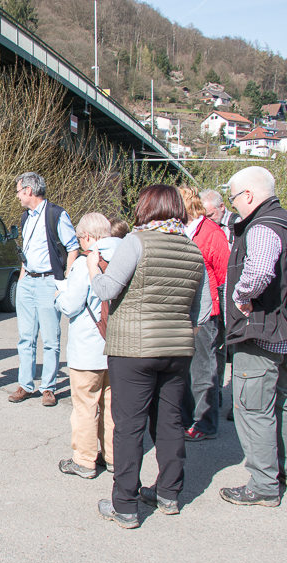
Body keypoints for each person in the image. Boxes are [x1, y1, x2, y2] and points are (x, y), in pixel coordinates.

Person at [88, 184, 211, 529]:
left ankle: (124, 504)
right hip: (177, 350)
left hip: (133, 349)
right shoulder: (192, 249)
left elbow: (107, 289)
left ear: (146, 208)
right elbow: (202, 312)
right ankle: (169, 493)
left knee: (129, 427)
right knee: (169, 422)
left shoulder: (136, 242)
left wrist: (92, 268)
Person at [219, 166, 287, 507]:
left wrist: (240, 297)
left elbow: (258, 272)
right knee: (280, 401)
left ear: (249, 196)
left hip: (260, 333)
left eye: (234, 197)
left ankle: (264, 484)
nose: (234, 204)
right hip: (286, 332)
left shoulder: (262, 226)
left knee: (252, 408)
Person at [53, 213, 120, 478]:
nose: (79, 242)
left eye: (80, 237)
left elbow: (71, 305)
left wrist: (59, 295)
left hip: (88, 347)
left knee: (85, 406)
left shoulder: (84, 263)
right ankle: (113, 457)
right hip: (115, 344)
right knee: (112, 407)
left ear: (89, 237)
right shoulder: (124, 257)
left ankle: (84, 459)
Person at [8, 172, 80, 406]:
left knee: (50, 338)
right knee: (25, 337)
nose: (17, 195)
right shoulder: (25, 217)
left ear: (29, 190)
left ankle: (48, 388)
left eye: (18, 191)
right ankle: (25, 385)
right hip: (27, 281)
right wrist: (21, 278)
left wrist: (65, 281)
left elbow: (73, 247)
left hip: (50, 281)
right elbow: (25, 253)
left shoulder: (57, 214)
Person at [179, 187, 230, 442]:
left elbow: (225, 275)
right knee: (185, 368)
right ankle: (186, 418)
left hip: (205, 312)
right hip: (182, 309)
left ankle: (205, 423)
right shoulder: (181, 231)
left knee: (203, 368)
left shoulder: (211, 232)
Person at [201, 188, 237, 421]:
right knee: (216, 346)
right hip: (216, 287)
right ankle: (218, 392)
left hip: (232, 286)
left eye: (211, 214)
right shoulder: (207, 227)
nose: (208, 219)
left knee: (234, 346)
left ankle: (240, 403)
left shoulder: (239, 224)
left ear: (222, 207)